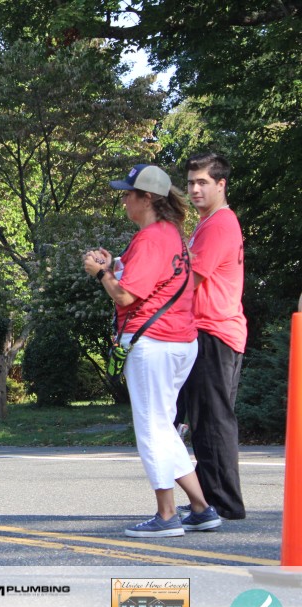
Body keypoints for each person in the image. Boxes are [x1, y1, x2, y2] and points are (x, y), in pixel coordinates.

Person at [83, 164, 221, 537]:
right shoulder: (170, 234)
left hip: (154, 343)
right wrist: (114, 264)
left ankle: (166, 515)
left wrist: (100, 273)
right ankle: (201, 508)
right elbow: (150, 279)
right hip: (179, 341)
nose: (124, 200)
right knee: (162, 426)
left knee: (151, 429)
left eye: (128, 193)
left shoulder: (150, 239)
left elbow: (126, 295)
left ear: (147, 198)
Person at [180, 153, 248, 520]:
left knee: (212, 421)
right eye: (191, 182)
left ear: (221, 185)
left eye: (203, 182)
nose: (195, 189)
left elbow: (188, 280)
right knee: (207, 420)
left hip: (213, 331)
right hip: (215, 331)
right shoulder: (209, 223)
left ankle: (223, 504)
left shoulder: (219, 224)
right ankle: (210, 499)